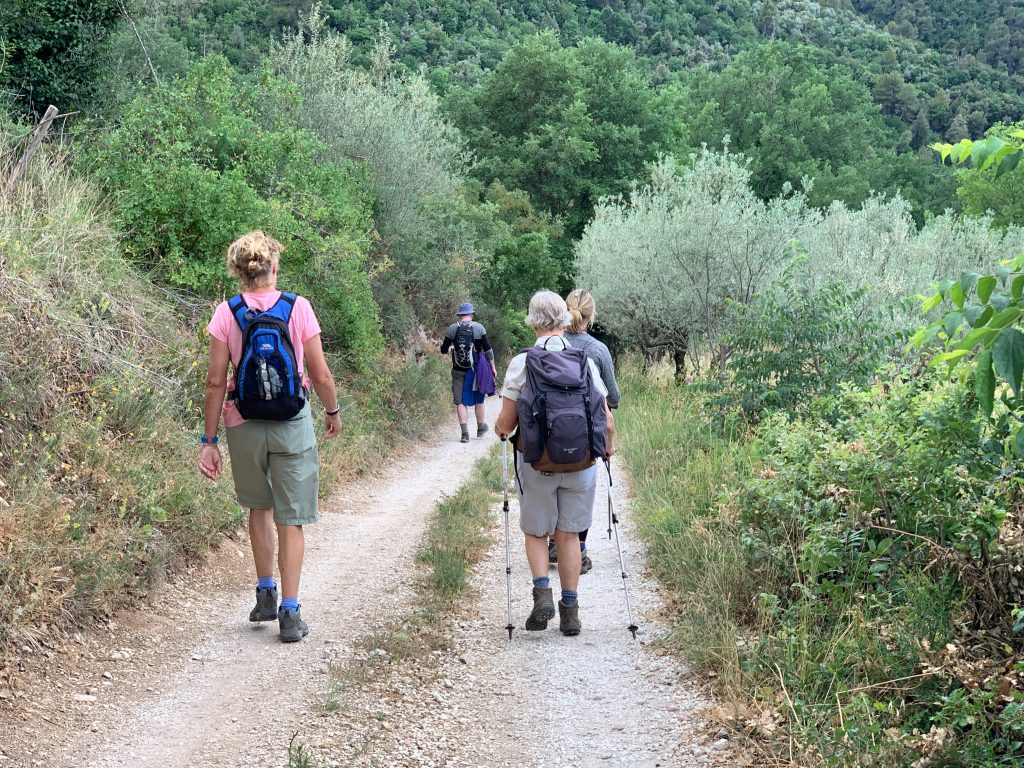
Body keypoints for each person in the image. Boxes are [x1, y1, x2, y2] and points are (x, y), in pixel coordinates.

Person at [198, 231, 342, 644]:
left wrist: (209, 442)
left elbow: (213, 382)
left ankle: (264, 592)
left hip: (241, 422)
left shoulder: (226, 313)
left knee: (259, 508)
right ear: (273, 267)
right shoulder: (298, 307)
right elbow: (321, 374)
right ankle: (290, 612)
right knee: (291, 517)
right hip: (291, 421)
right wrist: (332, 413)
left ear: (238, 272)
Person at [495, 291, 614, 636]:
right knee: (570, 533)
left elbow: (506, 423)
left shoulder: (522, 363)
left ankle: (542, 593)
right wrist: (606, 450)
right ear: (564, 321)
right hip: (580, 464)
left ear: (532, 322)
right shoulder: (584, 361)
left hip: (536, 464)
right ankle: (570, 610)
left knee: (536, 531)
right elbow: (606, 420)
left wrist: (502, 433)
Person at [548, 288, 622, 575]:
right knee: (581, 487)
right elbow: (613, 397)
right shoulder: (598, 350)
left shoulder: (550, 343)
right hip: (586, 434)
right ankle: (578, 548)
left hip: (551, 430)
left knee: (553, 481)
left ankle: (555, 541)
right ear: (592, 316)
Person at [441, 302, 497, 443]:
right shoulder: (479, 328)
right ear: (471, 314)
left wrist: (453, 348)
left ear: (460, 315)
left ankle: (465, 434)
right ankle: (480, 429)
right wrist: (493, 367)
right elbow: (488, 350)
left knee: (460, 401)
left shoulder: (452, 329)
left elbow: (443, 349)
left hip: (458, 371)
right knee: (479, 400)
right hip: (476, 370)